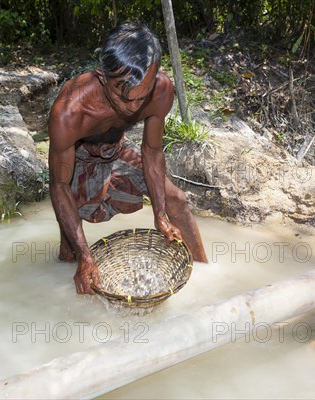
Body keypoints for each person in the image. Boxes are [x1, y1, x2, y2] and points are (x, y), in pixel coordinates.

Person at [48, 22, 208, 295]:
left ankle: (206, 275)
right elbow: (59, 186)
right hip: (79, 159)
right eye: (122, 98)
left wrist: (159, 213)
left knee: (176, 201)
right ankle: (66, 270)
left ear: (155, 76)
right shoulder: (69, 112)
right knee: (70, 243)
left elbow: (152, 152)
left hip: (117, 149)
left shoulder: (160, 90)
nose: (132, 107)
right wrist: (86, 256)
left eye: (140, 99)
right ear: (102, 77)